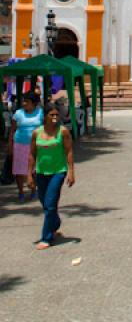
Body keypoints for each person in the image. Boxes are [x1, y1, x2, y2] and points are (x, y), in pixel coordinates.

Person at [27, 102, 75, 250]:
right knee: (45, 203)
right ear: (45, 116)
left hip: (58, 172)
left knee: (50, 204)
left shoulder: (63, 132)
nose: (54, 117)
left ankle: (46, 237)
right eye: (51, 115)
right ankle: (55, 223)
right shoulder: (37, 133)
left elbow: (69, 152)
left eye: (56, 115)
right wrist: (29, 174)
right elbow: (32, 154)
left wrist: (71, 171)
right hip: (41, 173)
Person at [8, 93, 43, 202]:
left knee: (35, 169)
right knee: (19, 170)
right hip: (20, 144)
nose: (24, 103)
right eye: (23, 101)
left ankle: (33, 190)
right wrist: (10, 144)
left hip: (36, 145)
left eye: (26, 101)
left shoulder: (40, 113)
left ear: (34, 103)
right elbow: (12, 130)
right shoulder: (18, 113)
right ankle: (21, 192)